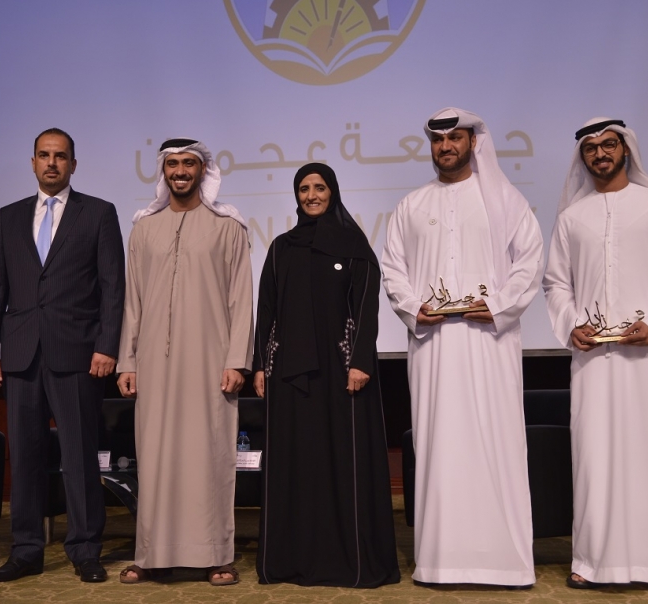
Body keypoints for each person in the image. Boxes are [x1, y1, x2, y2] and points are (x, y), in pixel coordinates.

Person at [382, 108, 543, 588]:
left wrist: (496, 305)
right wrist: (414, 308)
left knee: (496, 440)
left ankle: (506, 562)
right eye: (438, 140)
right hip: (433, 345)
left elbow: (529, 262)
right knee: (439, 443)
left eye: (455, 138)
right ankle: (440, 561)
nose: (446, 146)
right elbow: (393, 269)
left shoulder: (506, 200)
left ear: (474, 142)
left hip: (489, 341)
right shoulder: (411, 205)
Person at [543, 118, 648, 595]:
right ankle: (593, 561)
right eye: (591, 148)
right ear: (583, 158)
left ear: (625, 149)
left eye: (608, 145)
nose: (600, 154)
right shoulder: (572, 218)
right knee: (596, 457)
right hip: (595, 361)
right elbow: (556, 283)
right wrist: (572, 324)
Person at [0, 128, 125, 583]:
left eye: (60, 156)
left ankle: (85, 549)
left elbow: (113, 287)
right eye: (44, 155)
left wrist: (107, 346)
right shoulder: (9, 216)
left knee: (79, 456)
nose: (52, 163)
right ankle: (26, 550)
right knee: (25, 456)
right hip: (20, 354)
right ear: (33, 162)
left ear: (73, 164)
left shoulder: (98, 213)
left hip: (77, 352)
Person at [252, 163, 400, 588]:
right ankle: (291, 561)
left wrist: (361, 362)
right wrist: (261, 363)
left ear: (332, 192)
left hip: (342, 373)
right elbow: (267, 309)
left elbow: (366, 307)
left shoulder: (353, 245)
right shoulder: (281, 247)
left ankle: (348, 561)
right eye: (304, 189)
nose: (311, 195)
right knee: (296, 465)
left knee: (340, 464)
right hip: (288, 377)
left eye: (319, 187)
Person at [116, 138, 253, 586]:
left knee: (209, 455)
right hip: (154, 363)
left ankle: (216, 555)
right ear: (164, 171)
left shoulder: (228, 227)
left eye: (188, 163)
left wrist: (238, 361)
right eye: (172, 164)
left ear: (202, 170)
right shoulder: (143, 229)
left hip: (211, 362)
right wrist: (127, 361)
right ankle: (150, 554)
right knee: (154, 457)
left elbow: (241, 299)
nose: (180, 171)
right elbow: (133, 302)